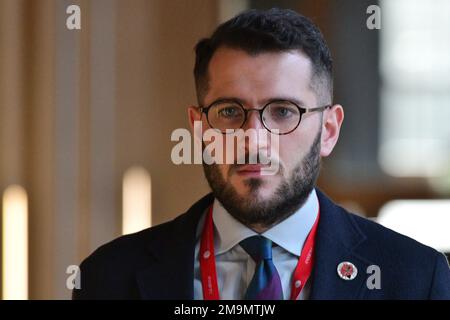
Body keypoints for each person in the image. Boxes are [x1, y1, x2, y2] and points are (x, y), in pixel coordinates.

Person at [73, 8, 450, 300]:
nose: (254, 140)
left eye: (283, 111)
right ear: (199, 127)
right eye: (229, 112)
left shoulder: (415, 278)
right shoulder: (108, 279)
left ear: (328, 131)